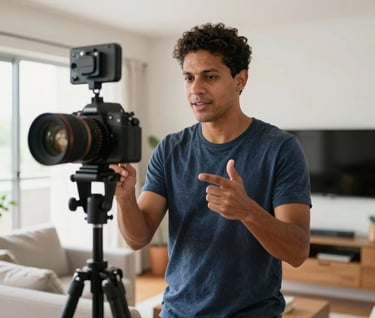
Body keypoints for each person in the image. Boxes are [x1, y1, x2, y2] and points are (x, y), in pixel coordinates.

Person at [111, 22, 311, 317]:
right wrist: (125, 197)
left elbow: (297, 251)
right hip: (178, 312)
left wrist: (248, 211)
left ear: (240, 80)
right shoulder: (170, 149)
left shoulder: (280, 148)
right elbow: (138, 238)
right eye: (189, 77)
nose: (196, 89)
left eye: (210, 76)